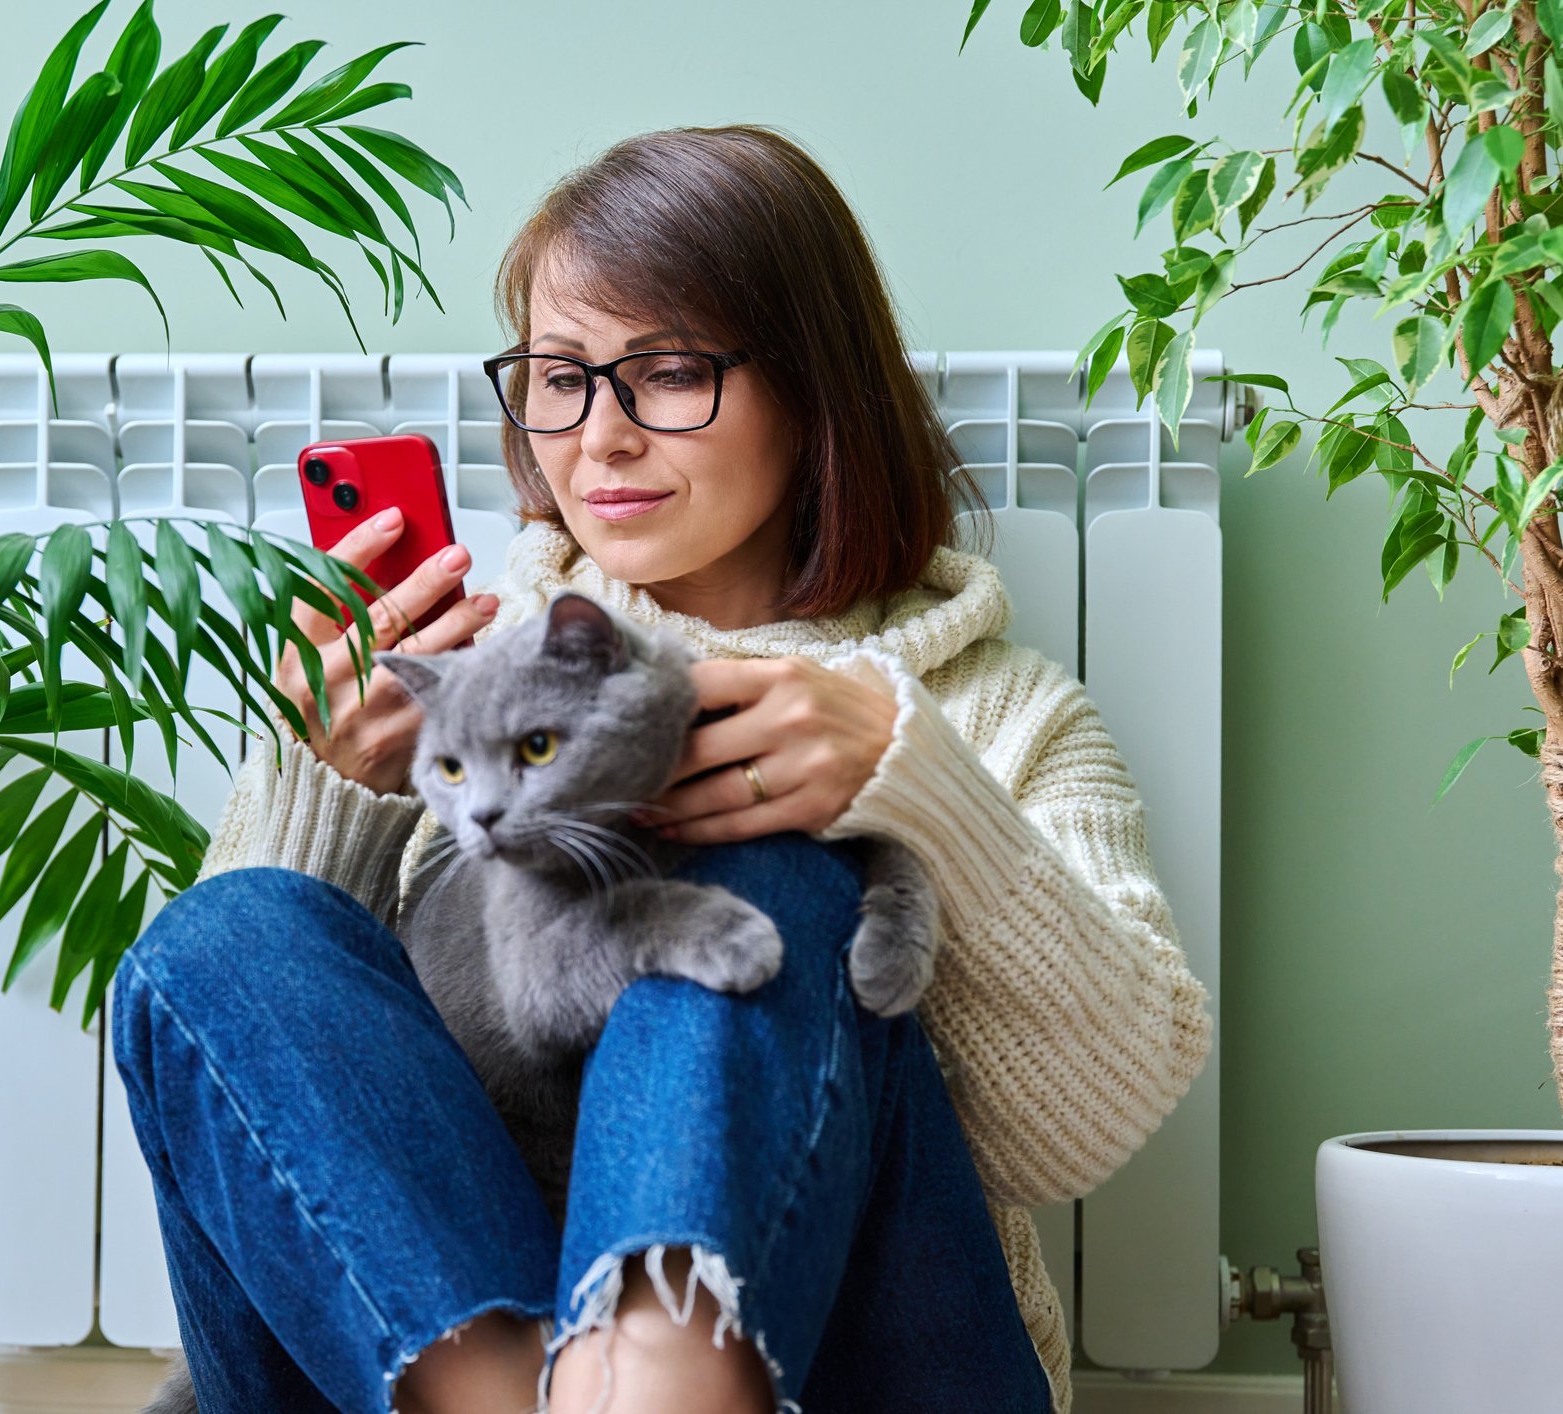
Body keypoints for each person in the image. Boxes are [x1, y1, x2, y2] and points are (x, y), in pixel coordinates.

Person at [109, 124, 1212, 1414]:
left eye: (670, 372)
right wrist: (339, 788)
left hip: (838, 1364)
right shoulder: (465, 697)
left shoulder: (999, 715)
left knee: (769, 860)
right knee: (225, 936)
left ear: (816, 391)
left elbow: (1078, 1131)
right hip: (420, 1367)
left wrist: (911, 785)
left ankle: (648, 1381)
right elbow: (255, 1137)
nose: (603, 437)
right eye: (560, 377)